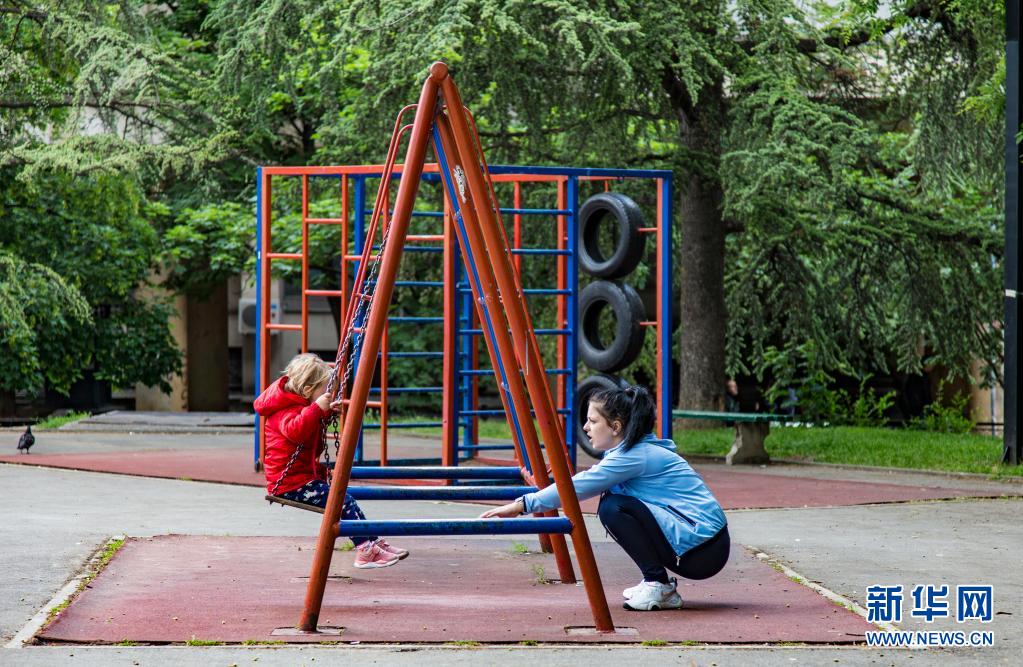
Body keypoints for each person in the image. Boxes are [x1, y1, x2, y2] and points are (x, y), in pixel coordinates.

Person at [480, 385, 729, 611]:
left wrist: (521, 505)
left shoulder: (634, 456)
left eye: (592, 421)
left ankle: (658, 584)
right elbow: (585, 481)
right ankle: (656, 582)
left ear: (616, 427)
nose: (585, 427)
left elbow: (578, 486)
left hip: (704, 551)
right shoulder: (633, 452)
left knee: (613, 507)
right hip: (705, 543)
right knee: (612, 501)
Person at [255, 353, 409, 569]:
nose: (327, 396)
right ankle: (365, 551)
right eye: (324, 391)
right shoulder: (283, 410)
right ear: (307, 390)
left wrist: (324, 414)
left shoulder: (300, 406)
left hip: (302, 479)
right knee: (342, 501)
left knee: (346, 501)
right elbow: (297, 432)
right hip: (289, 484)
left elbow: (309, 432)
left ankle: (373, 541)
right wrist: (317, 409)